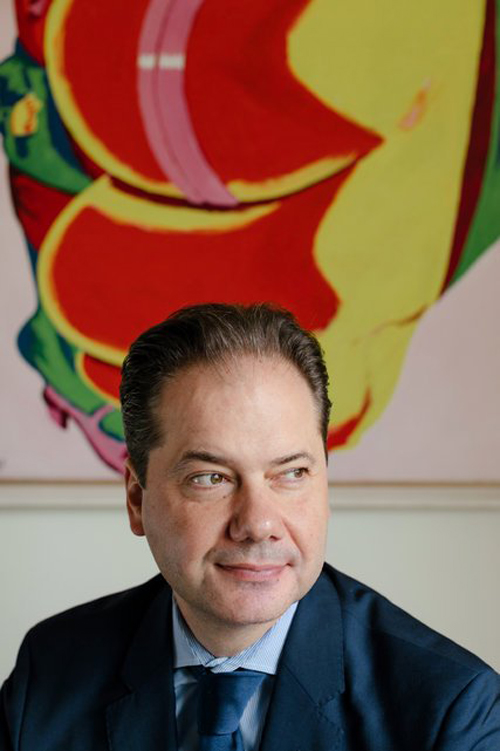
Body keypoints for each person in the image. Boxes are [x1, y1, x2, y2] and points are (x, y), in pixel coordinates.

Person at [1, 303, 499, 751]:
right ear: (136, 498)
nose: (258, 524)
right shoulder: (49, 672)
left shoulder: (450, 709)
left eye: (291, 473)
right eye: (211, 478)